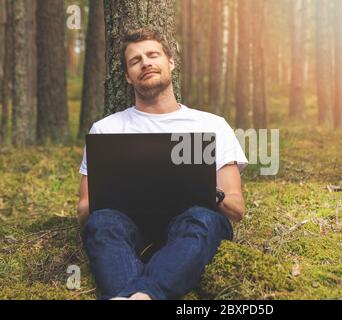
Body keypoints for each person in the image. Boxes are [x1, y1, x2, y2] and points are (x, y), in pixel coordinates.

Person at [77, 28, 248, 300]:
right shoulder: (106, 129)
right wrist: (112, 193)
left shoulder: (211, 125)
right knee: (102, 222)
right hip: (127, 223)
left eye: (152, 55)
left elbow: (236, 210)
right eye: (135, 61)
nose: (145, 63)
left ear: (170, 62)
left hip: (190, 222)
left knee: (204, 219)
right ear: (127, 76)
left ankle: (142, 295)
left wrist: (202, 188)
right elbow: (85, 211)